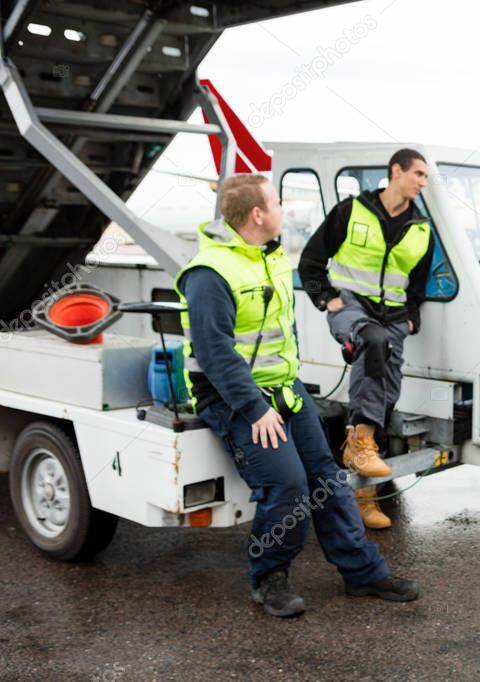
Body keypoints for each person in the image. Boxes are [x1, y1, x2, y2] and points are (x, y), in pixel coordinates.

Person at [176, 173, 419, 617]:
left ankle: (363, 573)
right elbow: (214, 353)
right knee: (287, 488)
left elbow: (278, 336)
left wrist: (286, 389)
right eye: (278, 202)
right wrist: (254, 408)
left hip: (284, 392)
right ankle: (269, 579)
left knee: (327, 479)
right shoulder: (210, 273)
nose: (283, 211)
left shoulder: (269, 258)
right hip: (236, 401)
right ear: (257, 214)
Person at [298, 148, 434, 529]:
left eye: (425, 177)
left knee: (387, 398)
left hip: (393, 316)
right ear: (396, 171)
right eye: (419, 173)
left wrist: (412, 320)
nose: (423, 182)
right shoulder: (350, 211)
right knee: (372, 343)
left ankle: (365, 495)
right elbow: (311, 260)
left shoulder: (421, 228)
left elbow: (418, 285)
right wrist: (326, 298)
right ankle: (358, 448)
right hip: (352, 308)